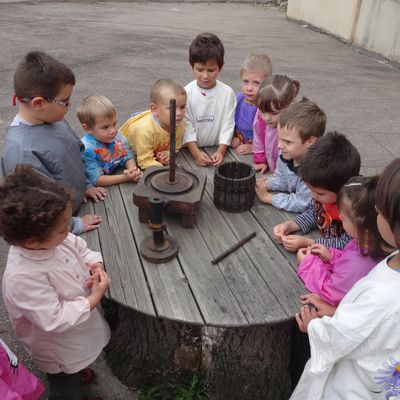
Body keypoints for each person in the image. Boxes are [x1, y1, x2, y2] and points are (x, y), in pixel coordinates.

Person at [291, 158, 400, 400]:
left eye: (380, 209)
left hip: (353, 388)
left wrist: (314, 327)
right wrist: (334, 310)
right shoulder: (390, 256)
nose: (376, 211)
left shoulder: (383, 295)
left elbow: (342, 336)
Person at [0, 165, 111, 400]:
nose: (69, 230)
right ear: (31, 241)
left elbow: (79, 247)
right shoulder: (23, 276)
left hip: (77, 327)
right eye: (63, 228)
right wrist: (93, 299)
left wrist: (94, 265)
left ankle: (77, 372)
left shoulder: (54, 239)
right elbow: (54, 319)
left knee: (77, 359)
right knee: (63, 379)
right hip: (56, 344)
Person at [1, 51, 104, 235]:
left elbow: (76, 155)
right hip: (57, 232)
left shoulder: (54, 119)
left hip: (81, 205)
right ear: (39, 103)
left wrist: (86, 185)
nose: (69, 106)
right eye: (65, 101)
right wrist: (73, 225)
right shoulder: (21, 152)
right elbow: (36, 210)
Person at [296, 176, 387, 307]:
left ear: (364, 229)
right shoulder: (370, 242)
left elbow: (329, 293)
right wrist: (332, 257)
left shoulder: (358, 264)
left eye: (343, 217)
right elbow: (348, 259)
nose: (339, 217)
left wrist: (307, 263)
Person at [273, 131, 361, 252]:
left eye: (320, 193)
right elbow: (315, 212)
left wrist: (308, 243)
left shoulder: (352, 210)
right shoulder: (325, 195)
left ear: (342, 188)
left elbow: (346, 244)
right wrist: (290, 225)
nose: (312, 196)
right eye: (310, 189)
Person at [255, 100, 326, 212]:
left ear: (310, 141)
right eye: (279, 139)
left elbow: (301, 203)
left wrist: (268, 198)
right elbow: (282, 179)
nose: (279, 146)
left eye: (287, 142)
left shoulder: (315, 170)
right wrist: (264, 185)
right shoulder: (287, 154)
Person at [183, 32, 236, 166]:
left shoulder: (227, 93)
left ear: (220, 67)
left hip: (218, 151)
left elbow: (228, 126)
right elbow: (186, 127)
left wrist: (221, 151)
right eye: (200, 70)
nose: (205, 75)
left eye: (211, 70)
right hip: (190, 152)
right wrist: (196, 153)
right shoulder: (185, 93)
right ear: (192, 66)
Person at [120, 79, 187, 170]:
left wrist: (166, 154)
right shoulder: (145, 130)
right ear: (155, 109)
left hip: (149, 149)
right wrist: (165, 169)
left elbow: (175, 148)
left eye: (182, 107)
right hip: (120, 152)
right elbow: (144, 160)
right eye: (172, 108)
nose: (179, 113)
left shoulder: (180, 124)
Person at [77, 95, 142, 186]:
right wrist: (125, 177)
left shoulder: (117, 135)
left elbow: (127, 153)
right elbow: (97, 179)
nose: (113, 130)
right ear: (88, 129)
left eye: (114, 124)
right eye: (105, 127)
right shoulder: (86, 149)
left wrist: (133, 170)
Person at [253, 75, 300, 174]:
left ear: (290, 106)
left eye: (274, 113)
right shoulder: (260, 116)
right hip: (271, 169)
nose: (266, 118)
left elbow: (297, 159)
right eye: (262, 111)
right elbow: (257, 139)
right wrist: (261, 161)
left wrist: (278, 177)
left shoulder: (295, 127)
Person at [231, 52, 272, 155]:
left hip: (260, 155)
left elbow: (272, 136)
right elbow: (229, 121)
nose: (249, 88)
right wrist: (233, 137)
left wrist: (253, 147)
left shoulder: (268, 107)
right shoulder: (238, 99)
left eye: (256, 83)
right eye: (245, 81)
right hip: (237, 148)